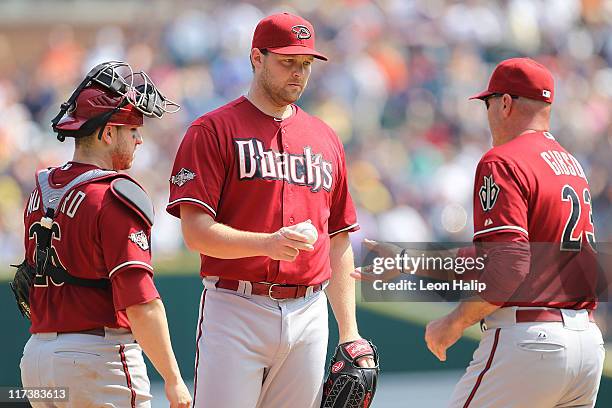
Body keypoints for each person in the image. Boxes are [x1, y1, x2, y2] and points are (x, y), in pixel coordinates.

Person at [166, 12, 374, 408]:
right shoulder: (212, 130)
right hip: (236, 307)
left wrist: (349, 331)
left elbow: (339, 237)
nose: (298, 73)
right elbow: (195, 233)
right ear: (256, 58)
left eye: (305, 64)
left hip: (310, 310)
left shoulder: (325, 138)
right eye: (286, 62)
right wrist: (268, 243)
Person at [423, 58, 604, 407]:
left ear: (505, 103)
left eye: (488, 103)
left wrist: (454, 322)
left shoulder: (503, 160)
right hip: (586, 344)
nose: (487, 113)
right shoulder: (571, 164)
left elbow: (507, 268)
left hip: (529, 340)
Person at [18, 61, 192, 408]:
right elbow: (140, 301)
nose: (139, 138)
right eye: (131, 130)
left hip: (36, 359)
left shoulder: (40, 188)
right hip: (98, 358)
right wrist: (173, 380)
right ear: (107, 133)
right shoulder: (113, 195)